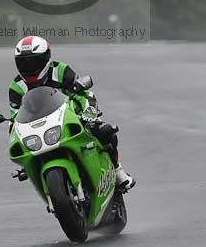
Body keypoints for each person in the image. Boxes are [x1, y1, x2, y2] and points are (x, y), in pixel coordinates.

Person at [9, 36, 135, 189]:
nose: (28, 67)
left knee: (106, 132)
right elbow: (15, 116)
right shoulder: (16, 86)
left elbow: (83, 94)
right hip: (39, 128)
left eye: (33, 62)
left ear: (46, 58)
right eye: (23, 62)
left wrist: (89, 112)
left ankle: (118, 171)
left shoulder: (61, 70)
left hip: (71, 117)